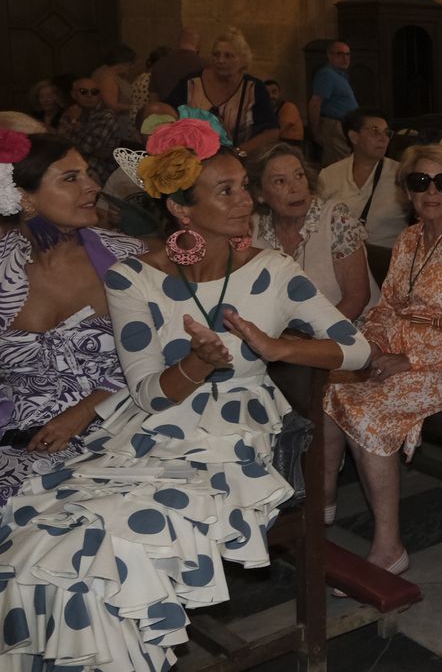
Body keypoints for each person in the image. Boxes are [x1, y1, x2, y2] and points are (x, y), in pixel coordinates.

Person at [0, 122, 370, 672]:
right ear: (182, 210)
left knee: (110, 545)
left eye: (245, 185)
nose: (247, 199)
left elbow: (357, 349)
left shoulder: (275, 270)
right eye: (227, 191)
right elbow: (148, 394)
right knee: (35, 540)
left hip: (234, 439)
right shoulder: (133, 279)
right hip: (147, 432)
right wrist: (197, 362)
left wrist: (278, 346)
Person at [323, 144, 442, 576]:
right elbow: (387, 308)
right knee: (335, 383)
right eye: (419, 182)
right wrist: (373, 348)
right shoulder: (409, 238)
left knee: (371, 412)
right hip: (408, 353)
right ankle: (324, 501)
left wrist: (408, 359)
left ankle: (389, 547)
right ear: (407, 190)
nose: (431, 192)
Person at [0, 134, 145, 507]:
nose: (93, 186)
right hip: (20, 443)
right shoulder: (3, 269)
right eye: (70, 178)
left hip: (121, 432)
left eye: (87, 174)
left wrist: (85, 410)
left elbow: (168, 354)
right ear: (24, 197)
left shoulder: (127, 258)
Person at [249, 142, 376, 321]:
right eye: (280, 181)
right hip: (286, 337)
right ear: (260, 194)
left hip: (347, 328)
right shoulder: (253, 226)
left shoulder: (336, 219)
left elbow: (356, 299)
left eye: (299, 176)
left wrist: (309, 343)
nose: (295, 188)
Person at [166, 27, 280, 154]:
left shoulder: (254, 88)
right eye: (216, 54)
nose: (220, 60)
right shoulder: (191, 83)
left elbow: (271, 133)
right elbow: (167, 111)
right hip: (192, 161)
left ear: (243, 60)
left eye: (228, 56)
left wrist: (239, 153)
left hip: (239, 163)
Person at [318, 108, 407, 248]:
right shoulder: (329, 175)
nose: (383, 139)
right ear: (354, 137)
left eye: (387, 133)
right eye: (375, 131)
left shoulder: (401, 173)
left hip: (388, 259)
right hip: (341, 258)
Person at [62, 75, 134, 184]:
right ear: (74, 95)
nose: (89, 95)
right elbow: (61, 143)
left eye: (95, 92)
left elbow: (90, 146)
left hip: (101, 168)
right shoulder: (71, 112)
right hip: (74, 161)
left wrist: (74, 123)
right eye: (83, 91)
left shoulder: (106, 115)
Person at [308, 41, 359, 161]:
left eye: (348, 54)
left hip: (344, 126)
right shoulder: (327, 74)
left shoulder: (339, 75)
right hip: (334, 127)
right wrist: (315, 132)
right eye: (340, 54)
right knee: (340, 166)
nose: (345, 58)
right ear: (329, 55)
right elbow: (315, 103)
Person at [146, 26, 207, 100]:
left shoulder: (160, 64)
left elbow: (153, 99)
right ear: (199, 45)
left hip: (164, 110)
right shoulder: (204, 65)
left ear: (178, 42)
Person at [91, 43, 140, 116]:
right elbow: (112, 106)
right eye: (130, 64)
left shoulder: (112, 74)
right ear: (123, 63)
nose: (131, 67)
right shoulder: (107, 77)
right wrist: (135, 107)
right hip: (116, 122)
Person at [263, 78, 306, 146]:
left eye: (274, 92)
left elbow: (279, 131)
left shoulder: (288, 107)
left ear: (280, 92)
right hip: (277, 144)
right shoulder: (267, 111)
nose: (271, 96)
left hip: (291, 146)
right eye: (266, 93)